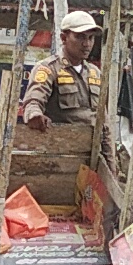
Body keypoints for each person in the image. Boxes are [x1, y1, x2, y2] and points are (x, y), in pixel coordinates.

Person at [21, 10, 115, 171]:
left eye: (90, 38)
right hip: (60, 159)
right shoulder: (48, 69)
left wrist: (111, 166)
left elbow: (103, 124)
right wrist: (34, 115)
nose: (87, 44)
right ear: (64, 38)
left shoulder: (95, 73)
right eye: (80, 37)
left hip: (92, 158)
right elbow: (33, 101)